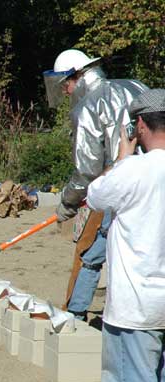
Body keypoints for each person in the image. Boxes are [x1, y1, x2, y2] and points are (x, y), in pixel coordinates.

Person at [86, 88, 165, 382]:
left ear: (139, 125)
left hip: (137, 297)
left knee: (130, 381)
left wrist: (121, 154)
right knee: (161, 381)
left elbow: (96, 195)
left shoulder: (134, 170)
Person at [43, 49, 147, 320]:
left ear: (77, 76)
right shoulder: (135, 85)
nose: (65, 92)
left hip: (122, 185)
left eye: (65, 85)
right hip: (155, 180)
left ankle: (75, 315)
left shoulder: (88, 107)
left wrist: (68, 202)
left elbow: (87, 171)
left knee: (93, 254)